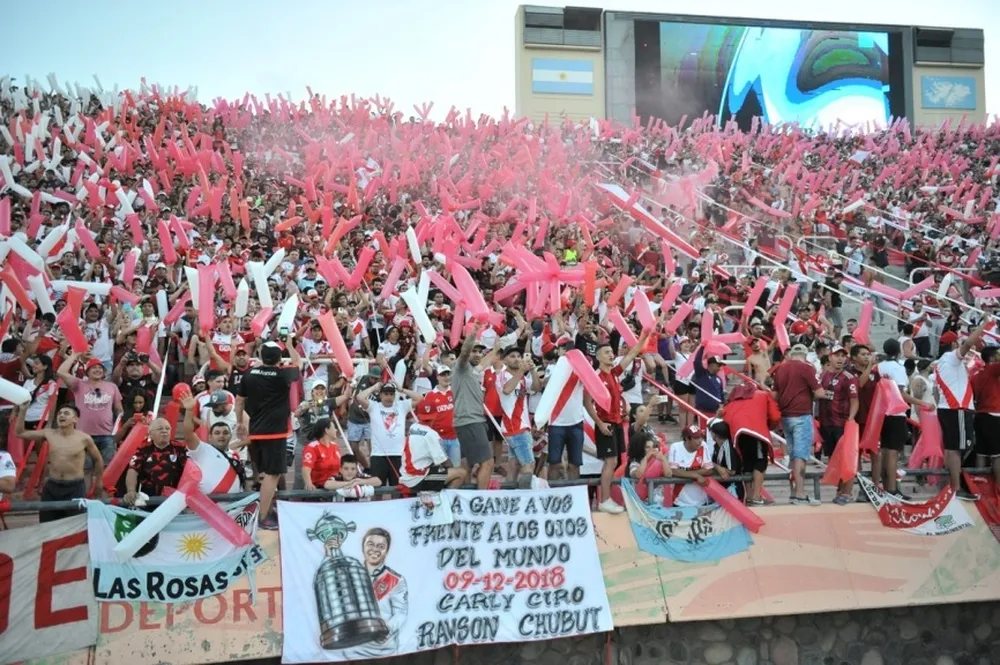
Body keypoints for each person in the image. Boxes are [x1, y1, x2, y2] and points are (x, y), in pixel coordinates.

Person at [235, 340, 301, 528]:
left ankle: (267, 509)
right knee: (273, 475)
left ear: (261, 356)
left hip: (256, 430)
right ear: (279, 358)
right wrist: (290, 343)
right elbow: (299, 362)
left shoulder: (249, 374)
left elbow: (239, 401)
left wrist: (240, 422)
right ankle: (263, 516)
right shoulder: (283, 374)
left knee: (267, 474)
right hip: (275, 432)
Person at [585, 330, 650, 514]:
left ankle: (607, 498)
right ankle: (604, 500)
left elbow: (631, 354)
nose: (611, 354)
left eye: (611, 352)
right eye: (606, 352)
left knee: (615, 461)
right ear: (598, 356)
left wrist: (644, 337)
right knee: (610, 461)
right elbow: (587, 402)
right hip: (605, 423)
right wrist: (599, 423)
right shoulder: (596, 377)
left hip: (616, 422)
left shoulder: (614, 373)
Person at [14, 403, 104, 521]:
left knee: (73, 526)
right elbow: (19, 433)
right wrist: (23, 410)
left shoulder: (84, 438)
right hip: (52, 486)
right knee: (46, 524)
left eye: (66, 413)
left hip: (75, 487)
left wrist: (99, 481)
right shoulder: (49, 433)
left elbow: (98, 459)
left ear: (75, 419)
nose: (62, 416)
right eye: (60, 413)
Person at [772, 344, 826, 506]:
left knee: (792, 455)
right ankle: (800, 494)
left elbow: (774, 394)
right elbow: (820, 393)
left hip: (786, 416)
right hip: (801, 415)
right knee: (801, 456)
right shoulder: (807, 368)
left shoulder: (780, 369)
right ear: (804, 355)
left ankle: (793, 492)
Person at [935, 324, 985, 500]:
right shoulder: (951, 358)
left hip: (947, 408)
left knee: (951, 448)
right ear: (954, 344)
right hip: (958, 408)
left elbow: (936, 390)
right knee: (959, 448)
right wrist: (984, 324)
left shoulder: (939, 362)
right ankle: (956, 488)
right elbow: (969, 343)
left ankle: (952, 486)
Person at [720, 382, 780, 506]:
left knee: (747, 463)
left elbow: (724, 419)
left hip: (737, 434)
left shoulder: (731, 401)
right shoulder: (763, 395)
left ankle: (750, 496)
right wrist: (768, 426)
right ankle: (757, 497)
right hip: (755, 431)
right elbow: (775, 416)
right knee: (760, 461)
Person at [58, 353, 123, 467]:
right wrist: (75, 355)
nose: (97, 370)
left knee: (106, 468)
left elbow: (119, 410)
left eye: (100, 368)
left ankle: (101, 486)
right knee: (85, 468)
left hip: (107, 435)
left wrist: (117, 431)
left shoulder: (112, 386)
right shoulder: (79, 384)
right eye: (94, 368)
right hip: (83, 435)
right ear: (87, 372)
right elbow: (61, 372)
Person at [452, 321, 495, 490]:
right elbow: (464, 353)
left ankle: (463, 501)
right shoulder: (461, 367)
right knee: (488, 462)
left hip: (469, 420)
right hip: (470, 421)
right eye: (475, 351)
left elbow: (487, 360)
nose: (477, 354)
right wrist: (474, 333)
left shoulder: (472, 371)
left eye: (480, 351)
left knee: (468, 465)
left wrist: (498, 346)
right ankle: (482, 500)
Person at [179, 394, 250, 495]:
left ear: (230, 436)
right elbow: (188, 434)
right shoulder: (202, 450)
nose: (221, 436)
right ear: (210, 437)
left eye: (225, 433)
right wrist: (189, 411)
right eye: (217, 433)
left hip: (234, 506)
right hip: (209, 507)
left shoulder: (235, 456)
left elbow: (243, 482)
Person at [876, 339, 919, 498]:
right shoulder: (898, 368)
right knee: (893, 452)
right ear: (899, 351)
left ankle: (886, 486)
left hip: (881, 412)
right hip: (895, 412)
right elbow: (901, 392)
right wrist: (922, 403)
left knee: (885, 450)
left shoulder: (879, 367)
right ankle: (892, 489)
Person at [496, 347, 541, 480]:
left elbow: (536, 388)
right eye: (512, 356)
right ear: (505, 360)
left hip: (518, 427)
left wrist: (532, 370)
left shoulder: (521, 378)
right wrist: (522, 370)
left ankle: (509, 496)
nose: (517, 359)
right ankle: (526, 496)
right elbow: (507, 390)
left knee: (514, 466)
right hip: (515, 427)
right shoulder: (502, 375)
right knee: (529, 465)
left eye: (518, 356)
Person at [122, 418, 188, 505]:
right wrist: (131, 490)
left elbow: (189, 471)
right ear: (151, 434)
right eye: (160, 429)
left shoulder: (180, 448)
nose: (164, 431)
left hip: (174, 498)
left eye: (167, 429)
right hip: (149, 499)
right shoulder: (143, 449)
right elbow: (132, 470)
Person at [357, 382, 411, 487]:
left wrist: (402, 389)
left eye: (391, 394)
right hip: (378, 455)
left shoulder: (401, 406)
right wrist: (374, 387)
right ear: (380, 395)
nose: (389, 397)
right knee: (376, 489)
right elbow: (359, 397)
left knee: (397, 488)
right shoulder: (374, 406)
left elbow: (419, 398)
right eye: (386, 394)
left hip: (398, 454)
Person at [399, 422, 467, 491]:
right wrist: (450, 471)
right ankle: (446, 500)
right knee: (461, 473)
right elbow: (446, 463)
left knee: (441, 470)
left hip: (406, 476)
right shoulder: (431, 433)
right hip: (418, 480)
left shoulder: (412, 427)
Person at [971, 346, 1000, 485]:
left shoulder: (975, 374)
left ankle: (980, 485)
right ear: (992, 358)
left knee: (981, 453)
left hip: (980, 415)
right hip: (993, 415)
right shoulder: (992, 369)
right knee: (997, 455)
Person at [667, 425, 715, 507]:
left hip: (702, 502)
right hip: (680, 501)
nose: (700, 441)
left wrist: (684, 473)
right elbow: (673, 471)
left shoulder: (703, 445)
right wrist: (696, 475)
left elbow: (709, 469)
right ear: (686, 438)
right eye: (696, 438)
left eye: (701, 437)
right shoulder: (675, 447)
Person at [301, 417, 353, 492]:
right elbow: (306, 468)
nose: (336, 430)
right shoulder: (312, 447)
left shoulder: (335, 446)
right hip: (319, 487)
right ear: (327, 430)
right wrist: (308, 483)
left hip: (335, 484)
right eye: (334, 428)